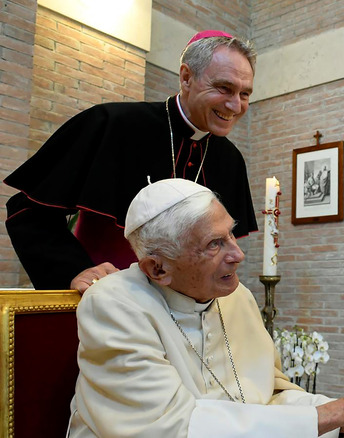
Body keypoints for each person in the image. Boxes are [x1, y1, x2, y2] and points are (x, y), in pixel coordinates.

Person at [67, 178, 344, 437]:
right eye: (214, 244)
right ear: (158, 268)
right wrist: (334, 414)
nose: (238, 254)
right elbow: (173, 429)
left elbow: (270, 393)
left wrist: (342, 420)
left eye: (231, 235)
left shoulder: (236, 297)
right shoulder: (114, 305)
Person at [4, 30, 257, 293]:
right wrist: (75, 269)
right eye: (224, 88)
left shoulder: (231, 160)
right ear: (186, 77)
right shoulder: (112, 124)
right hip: (108, 303)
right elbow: (27, 211)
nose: (235, 105)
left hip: (188, 316)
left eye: (245, 94)